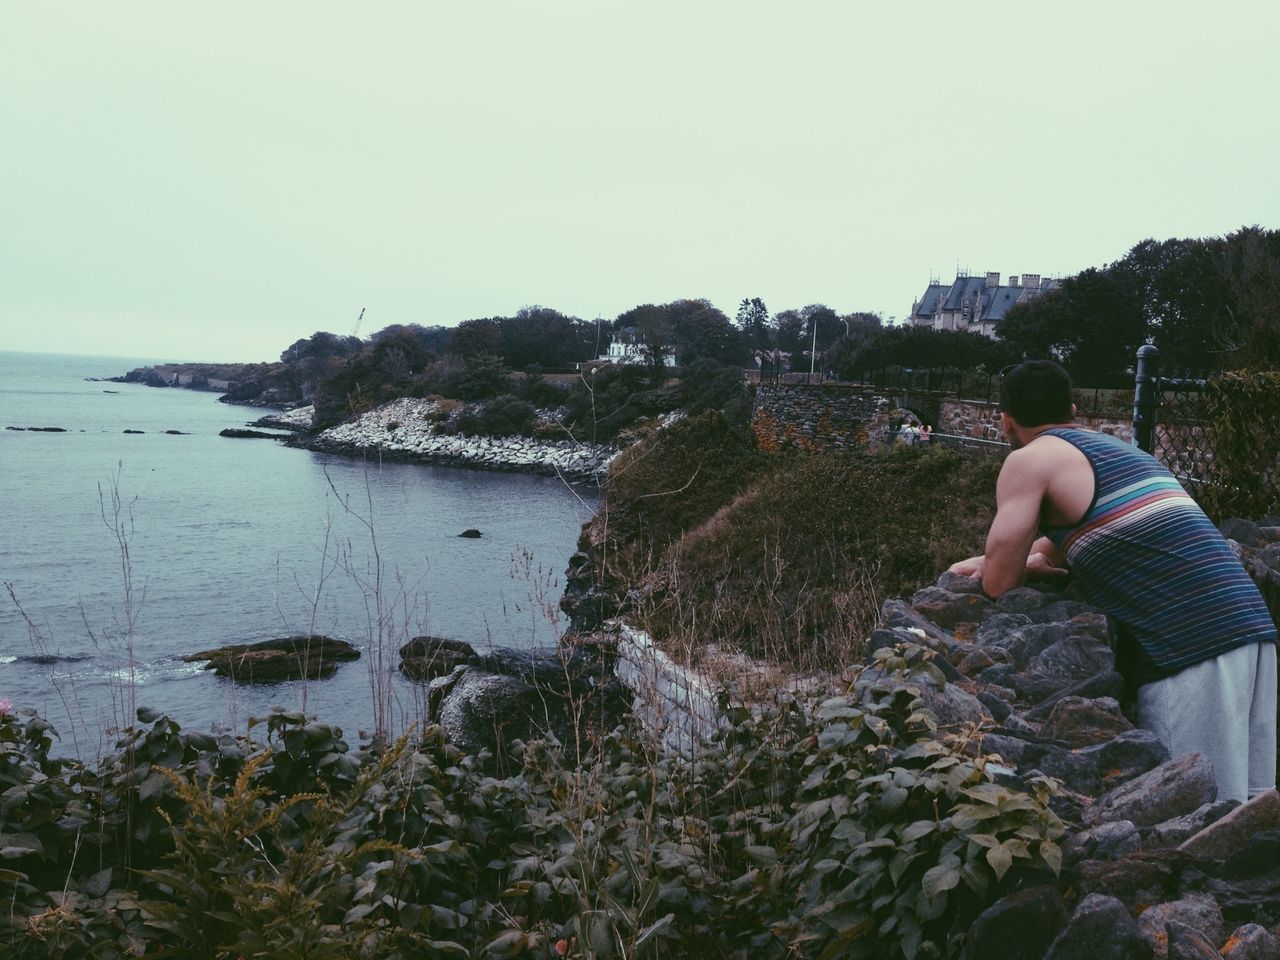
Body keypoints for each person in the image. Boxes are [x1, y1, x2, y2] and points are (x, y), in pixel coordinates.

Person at [950, 359, 1276, 802]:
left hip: (1191, 645)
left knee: (1194, 812)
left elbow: (998, 583)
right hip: (1250, 630)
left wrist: (1009, 567)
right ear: (1073, 409)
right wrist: (997, 558)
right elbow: (1067, 538)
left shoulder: (1027, 460)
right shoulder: (1118, 452)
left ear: (1004, 419)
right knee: (1251, 819)